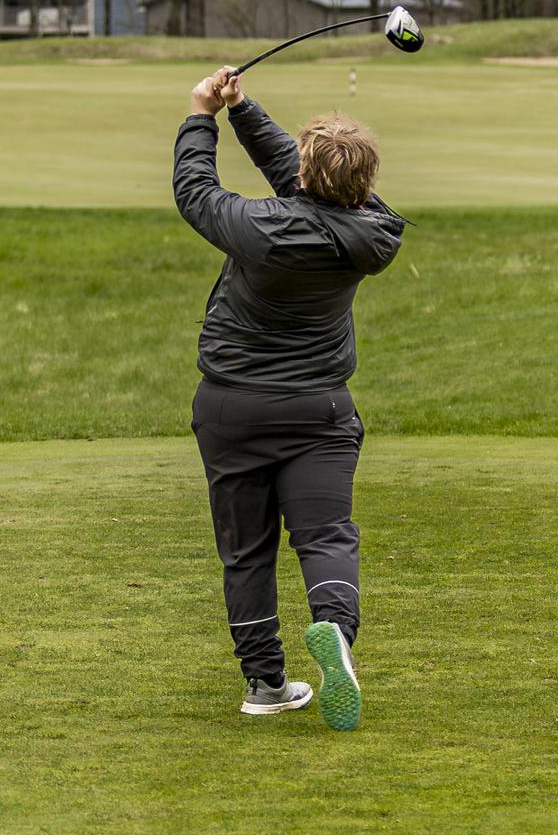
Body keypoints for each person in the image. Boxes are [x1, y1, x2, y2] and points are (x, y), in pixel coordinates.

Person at [173, 66, 406, 730]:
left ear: (304, 176)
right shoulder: (376, 232)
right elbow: (315, 185)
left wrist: (202, 114)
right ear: (366, 183)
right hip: (319, 412)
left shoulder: (259, 228)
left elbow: (195, 192)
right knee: (326, 535)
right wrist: (243, 109)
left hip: (232, 408)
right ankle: (333, 626)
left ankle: (265, 681)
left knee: (247, 550)